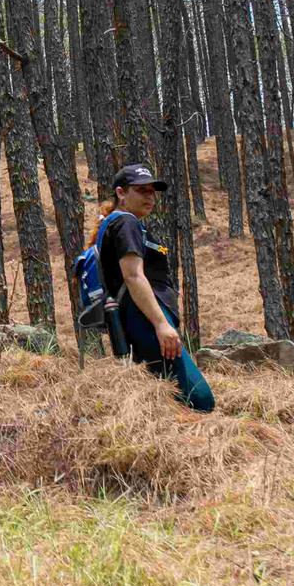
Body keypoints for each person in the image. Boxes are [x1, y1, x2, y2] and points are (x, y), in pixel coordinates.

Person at [99, 163, 214, 412]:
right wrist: (161, 324)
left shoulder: (127, 224)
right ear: (121, 193)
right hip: (146, 321)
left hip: (144, 321)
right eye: (142, 191)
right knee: (200, 399)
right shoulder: (126, 223)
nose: (150, 197)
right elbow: (133, 276)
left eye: (152, 191)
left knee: (165, 394)